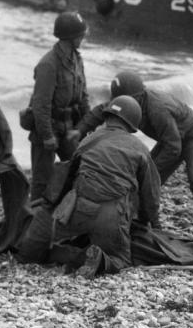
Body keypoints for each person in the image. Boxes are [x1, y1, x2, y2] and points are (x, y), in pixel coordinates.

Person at [73, 71, 193, 243]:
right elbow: (102, 111)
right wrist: (79, 130)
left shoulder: (157, 108)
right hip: (170, 138)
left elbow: (173, 147)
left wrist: (151, 173)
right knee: (144, 180)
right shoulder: (129, 101)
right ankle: (149, 223)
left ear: (139, 97)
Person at [47, 96, 160, 278]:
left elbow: (67, 178)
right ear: (131, 123)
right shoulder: (139, 148)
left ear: (107, 116)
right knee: (122, 259)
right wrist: (150, 222)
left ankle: (69, 254)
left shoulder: (87, 141)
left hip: (78, 210)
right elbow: (150, 195)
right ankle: (100, 260)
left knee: (55, 243)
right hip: (110, 216)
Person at [26, 11, 90, 203]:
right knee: (41, 182)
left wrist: (87, 127)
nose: (83, 37)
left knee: (77, 172)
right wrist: (46, 135)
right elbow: (40, 104)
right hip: (48, 127)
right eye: (80, 34)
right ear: (70, 37)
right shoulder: (48, 64)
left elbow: (83, 96)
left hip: (69, 126)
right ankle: (32, 224)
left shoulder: (77, 59)